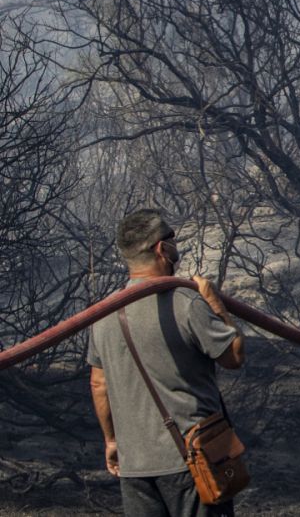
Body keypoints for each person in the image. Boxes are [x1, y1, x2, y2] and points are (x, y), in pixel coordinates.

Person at [88, 208, 246, 517]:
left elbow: (99, 383)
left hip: (135, 466)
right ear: (163, 248)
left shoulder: (102, 314)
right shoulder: (187, 302)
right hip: (192, 460)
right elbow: (234, 356)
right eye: (173, 239)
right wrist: (214, 303)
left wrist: (111, 441)